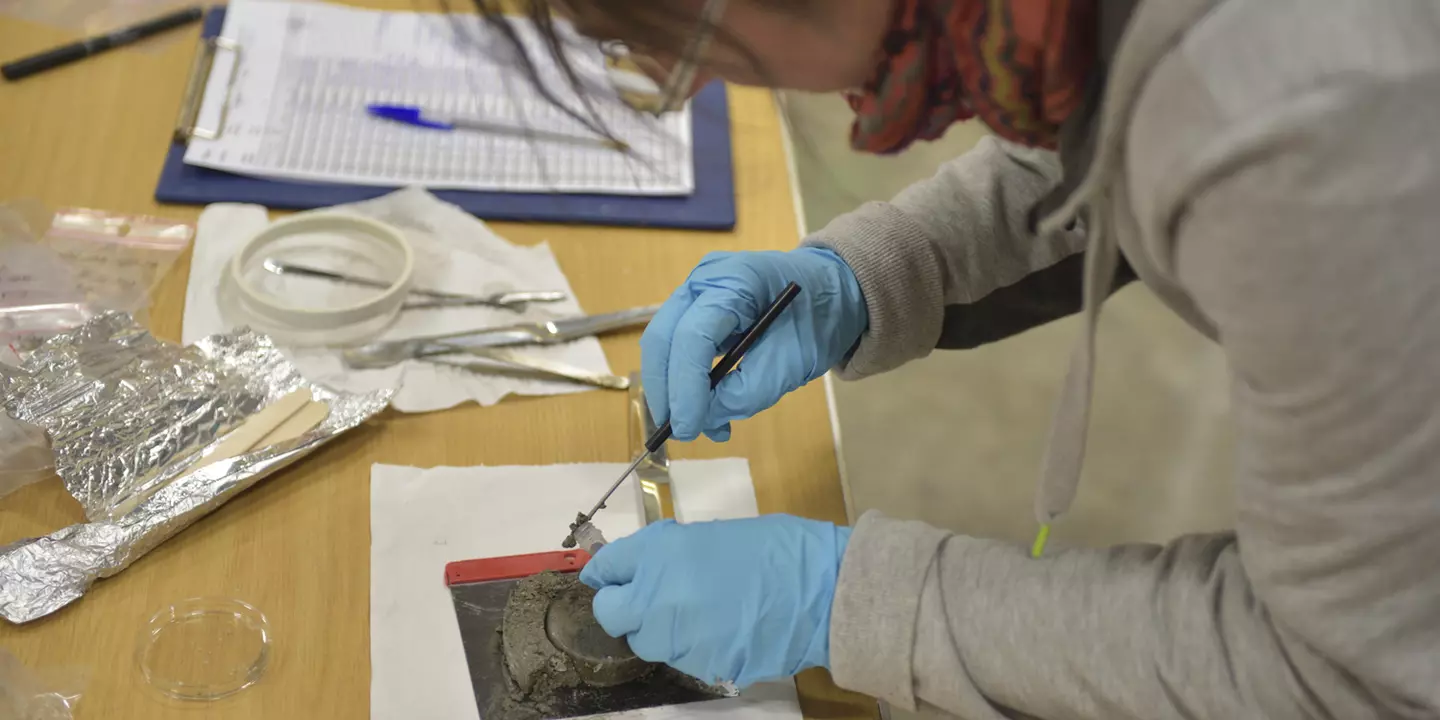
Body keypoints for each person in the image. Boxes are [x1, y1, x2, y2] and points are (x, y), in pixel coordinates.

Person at [477, 0, 1440, 717]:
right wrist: (865, 277)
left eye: (671, 42)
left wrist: (852, 602)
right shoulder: (1062, 31)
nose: (709, 82)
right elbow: (1102, 140)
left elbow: (1350, 673)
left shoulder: (1325, 131)